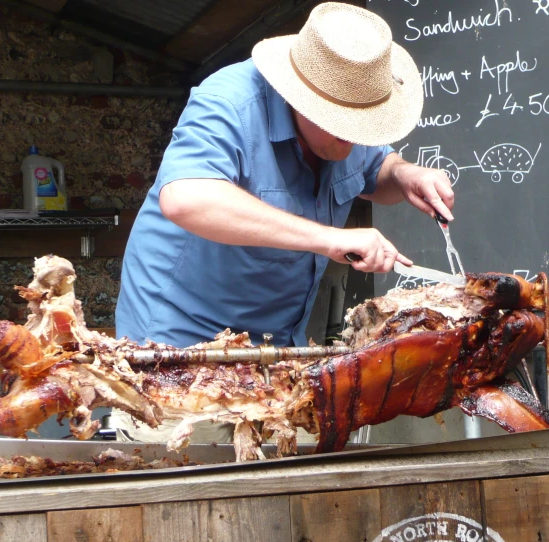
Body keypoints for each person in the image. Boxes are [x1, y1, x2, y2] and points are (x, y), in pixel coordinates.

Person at [112, 2, 454, 443]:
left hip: (278, 354)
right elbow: (186, 198)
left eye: (364, 125)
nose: (353, 138)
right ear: (300, 96)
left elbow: (377, 170)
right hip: (179, 353)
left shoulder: (348, 127)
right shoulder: (229, 101)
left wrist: (405, 173)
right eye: (342, 124)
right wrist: (329, 239)